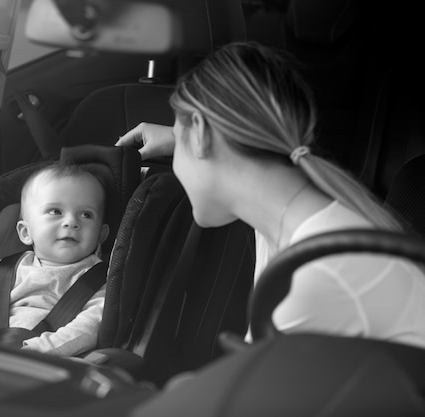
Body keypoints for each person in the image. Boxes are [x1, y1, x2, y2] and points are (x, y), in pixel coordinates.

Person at [116, 41, 425, 349]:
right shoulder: (291, 221)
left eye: (181, 136)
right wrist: (179, 137)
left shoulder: (311, 278)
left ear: (199, 133)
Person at [0, 163, 110, 356]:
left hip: (53, 361)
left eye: (86, 214)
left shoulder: (100, 281)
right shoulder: (3, 270)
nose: (71, 222)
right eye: (55, 212)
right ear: (26, 232)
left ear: (101, 235)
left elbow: (90, 325)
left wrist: (39, 350)